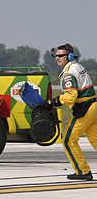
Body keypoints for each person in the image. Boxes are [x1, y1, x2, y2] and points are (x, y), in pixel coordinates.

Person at [40, 43, 97, 180]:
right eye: (56, 55)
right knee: (95, 140)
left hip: (84, 109)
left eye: (60, 56)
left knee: (68, 140)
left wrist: (53, 102)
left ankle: (82, 171)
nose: (57, 58)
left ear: (69, 56)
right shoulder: (78, 67)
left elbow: (71, 96)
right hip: (93, 107)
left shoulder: (68, 73)